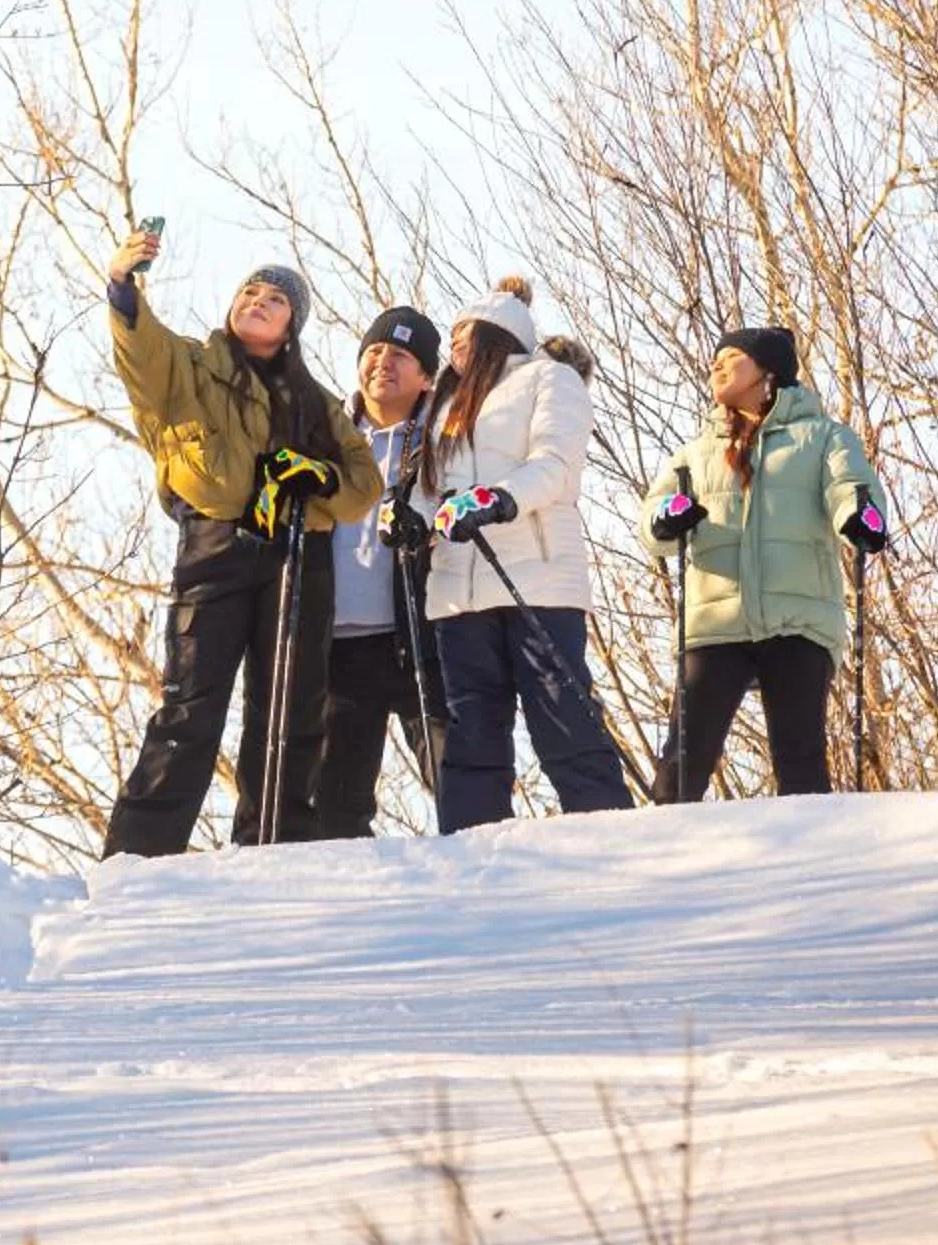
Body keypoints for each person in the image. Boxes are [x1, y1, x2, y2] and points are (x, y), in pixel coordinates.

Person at [99, 223, 381, 855]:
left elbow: (364, 483)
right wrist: (121, 282)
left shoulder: (316, 400)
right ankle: (139, 855)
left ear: (291, 327)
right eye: (251, 292)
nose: (259, 301)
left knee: (289, 709)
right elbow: (139, 350)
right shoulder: (190, 366)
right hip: (217, 549)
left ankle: (275, 847)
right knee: (191, 706)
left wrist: (316, 477)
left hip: (299, 555)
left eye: (275, 300)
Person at [416, 276, 635, 832]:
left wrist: (496, 500)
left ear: (496, 336)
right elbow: (429, 487)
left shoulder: (549, 379)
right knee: (472, 729)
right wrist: (409, 517)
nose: (454, 348)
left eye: (463, 336)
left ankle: (606, 831)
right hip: (457, 593)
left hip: (533, 580)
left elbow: (556, 466)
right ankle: (472, 843)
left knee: (560, 712)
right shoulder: (447, 403)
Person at [640, 326, 892, 801]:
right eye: (716, 358)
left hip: (796, 617)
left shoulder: (822, 437)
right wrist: (665, 519)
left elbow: (849, 488)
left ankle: (816, 864)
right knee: (681, 760)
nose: (716, 366)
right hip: (715, 621)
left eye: (732, 357)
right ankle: (659, 862)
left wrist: (860, 518)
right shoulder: (696, 451)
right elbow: (652, 516)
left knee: (800, 760)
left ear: (768, 371)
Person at [307, 305, 449, 837]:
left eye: (400, 355)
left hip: (422, 633)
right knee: (335, 807)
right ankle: (353, 907)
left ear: (427, 376)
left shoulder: (445, 438)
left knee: (458, 783)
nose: (382, 363)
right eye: (374, 351)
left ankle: (486, 901)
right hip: (339, 643)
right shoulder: (326, 434)